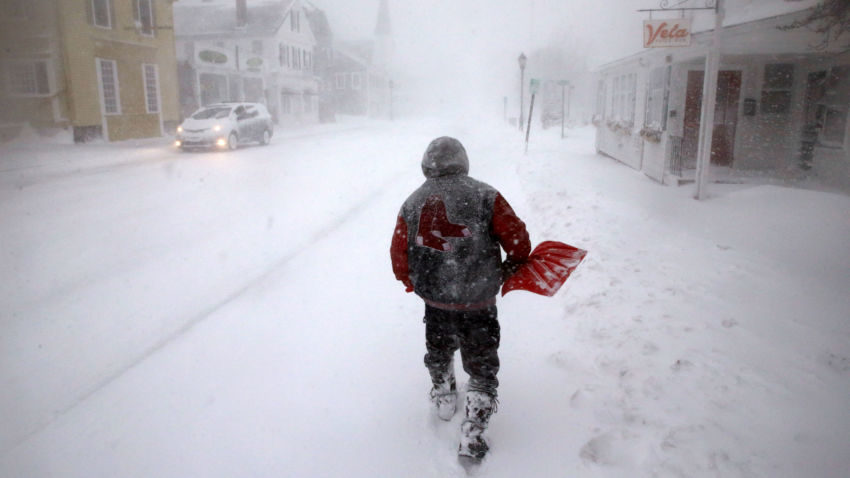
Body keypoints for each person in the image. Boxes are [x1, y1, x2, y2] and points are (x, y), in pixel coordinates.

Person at [390, 136, 531, 461]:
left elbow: (399, 255)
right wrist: (506, 268)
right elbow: (518, 241)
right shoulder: (486, 195)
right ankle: (473, 435)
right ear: (463, 161)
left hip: (436, 301)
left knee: (438, 349)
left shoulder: (412, 203)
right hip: (479, 301)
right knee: (481, 366)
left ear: (427, 165)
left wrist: (417, 283)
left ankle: (443, 394)